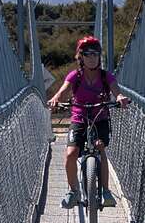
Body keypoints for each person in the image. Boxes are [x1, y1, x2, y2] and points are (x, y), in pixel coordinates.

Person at [48, 36, 130, 209]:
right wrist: (56, 98)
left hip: (100, 118)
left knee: (100, 148)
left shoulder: (105, 76)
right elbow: (62, 91)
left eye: (95, 54)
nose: (92, 58)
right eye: (87, 54)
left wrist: (120, 97)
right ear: (81, 57)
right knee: (71, 154)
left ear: (99, 56)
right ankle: (73, 191)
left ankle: (106, 192)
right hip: (79, 119)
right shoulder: (75, 76)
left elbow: (116, 90)